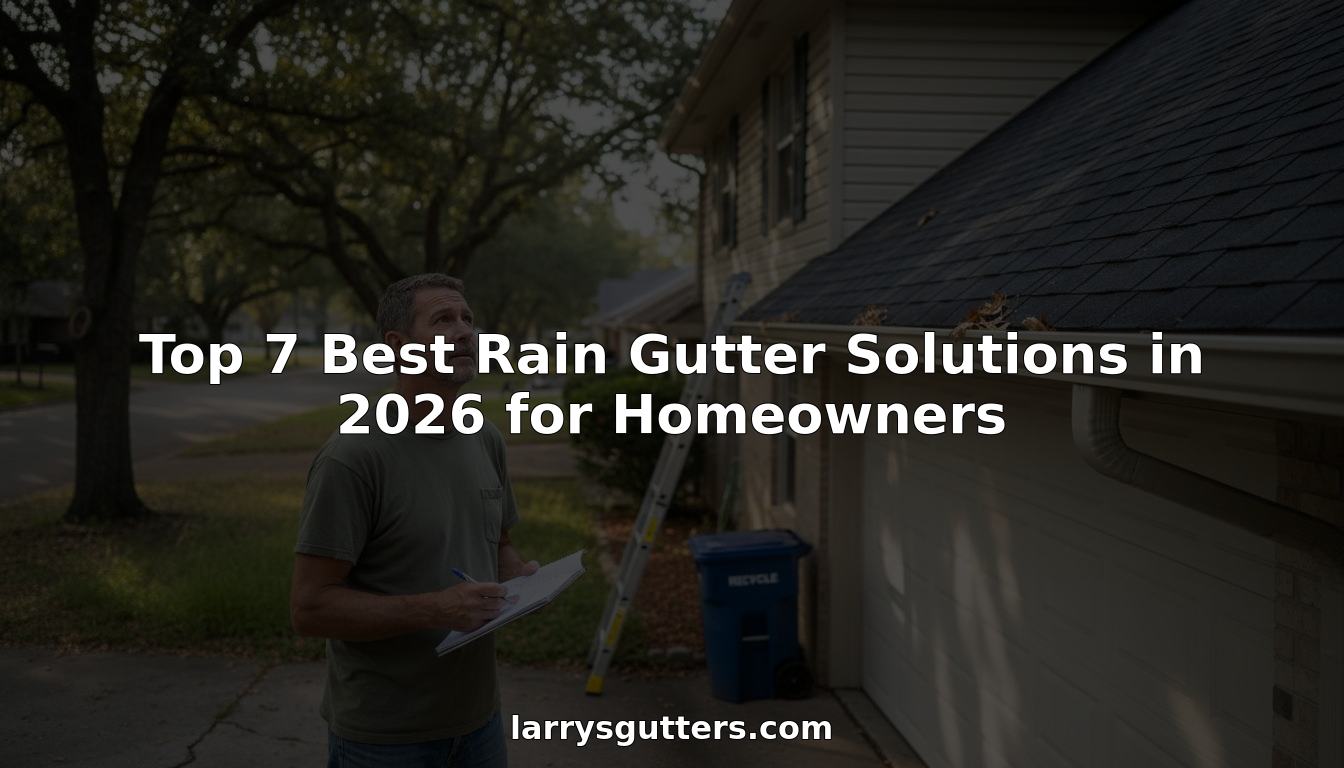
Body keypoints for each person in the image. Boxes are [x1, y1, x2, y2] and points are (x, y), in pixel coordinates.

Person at [291, 273, 537, 768]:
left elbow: (500, 543)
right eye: (443, 320)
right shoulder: (353, 456)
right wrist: (436, 610)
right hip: (385, 738)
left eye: (467, 318)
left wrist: (522, 580)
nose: (465, 332)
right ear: (398, 345)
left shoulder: (484, 438)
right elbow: (310, 609)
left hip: (480, 723)